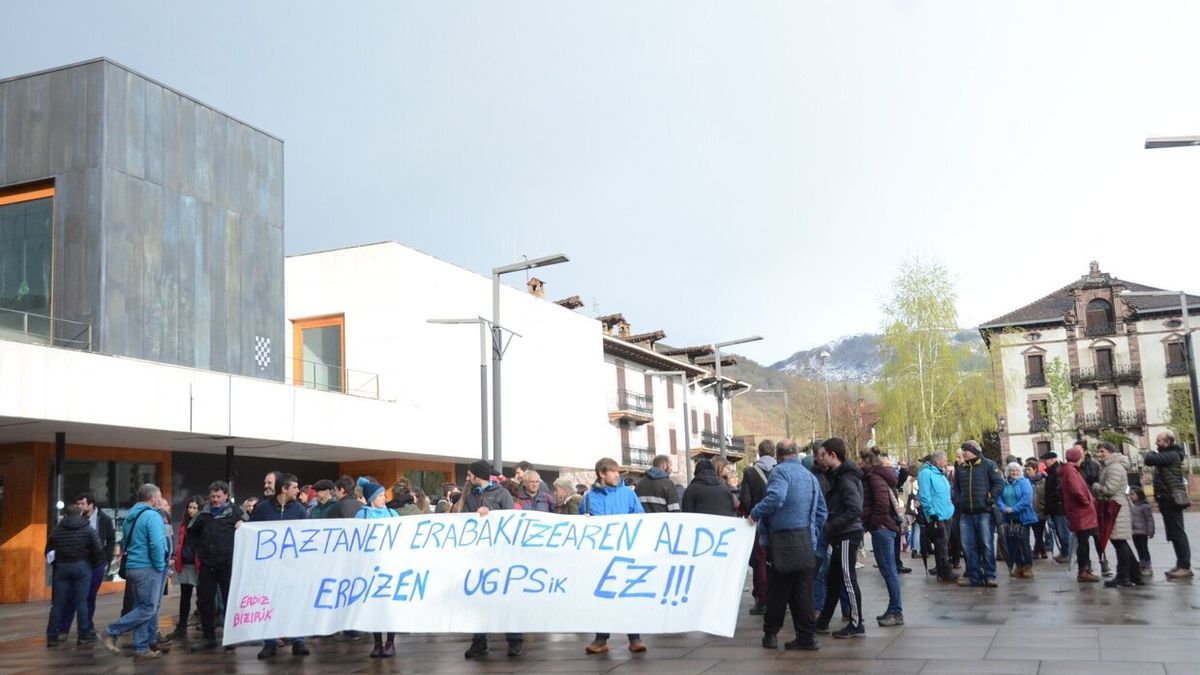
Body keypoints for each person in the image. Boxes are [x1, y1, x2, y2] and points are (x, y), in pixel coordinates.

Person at [749, 441, 826, 651]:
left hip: (783, 540)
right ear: (795, 454)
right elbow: (822, 512)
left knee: (778, 590)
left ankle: (771, 635)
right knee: (803, 592)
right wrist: (812, 532)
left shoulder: (780, 473)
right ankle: (807, 637)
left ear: (778, 455)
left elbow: (776, 497)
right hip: (806, 540)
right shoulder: (810, 476)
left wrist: (755, 512)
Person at [582, 457, 648, 655]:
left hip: (625, 552)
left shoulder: (628, 494)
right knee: (603, 596)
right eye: (613, 471)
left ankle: (635, 638)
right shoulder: (588, 497)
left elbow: (640, 517)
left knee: (628, 594)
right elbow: (582, 524)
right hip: (600, 555)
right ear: (602, 474)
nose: (617, 474)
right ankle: (601, 639)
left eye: (617, 471)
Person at [462, 460, 525, 659]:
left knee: (507, 598)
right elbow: (464, 520)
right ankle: (479, 642)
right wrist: (474, 515)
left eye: (470, 474)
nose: (467, 477)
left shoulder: (501, 493)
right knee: (479, 600)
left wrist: (491, 516)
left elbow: (510, 520)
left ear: (477, 475)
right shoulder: (471, 495)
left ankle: (515, 640)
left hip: (501, 554)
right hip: (480, 555)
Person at [100, 483, 168, 662]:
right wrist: (160, 565)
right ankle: (110, 631)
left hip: (133, 567)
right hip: (148, 568)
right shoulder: (152, 516)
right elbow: (156, 544)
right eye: (158, 496)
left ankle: (141, 648)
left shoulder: (132, 514)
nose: (160, 499)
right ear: (152, 498)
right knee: (148, 608)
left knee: (140, 607)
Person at [249, 473, 310, 659]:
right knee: (269, 603)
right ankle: (270, 642)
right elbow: (252, 531)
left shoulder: (300, 510)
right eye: (294, 487)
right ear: (284, 488)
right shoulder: (262, 508)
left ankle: (298, 640)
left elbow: (306, 535)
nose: (298, 490)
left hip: (292, 567)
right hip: (269, 567)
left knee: (293, 603)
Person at [813, 437, 866, 639]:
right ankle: (824, 620)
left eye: (823, 455)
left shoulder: (845, 479)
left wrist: (831, 526)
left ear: (832, 455)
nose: (820, 459)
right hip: (842, 533)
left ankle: (856, 622)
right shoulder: (839, 476)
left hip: (846, 534)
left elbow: (854, 509)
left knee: (847, 578)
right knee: (833, 578)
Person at [187, 480, 244, 651]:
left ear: (226, 496)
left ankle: (230, 637)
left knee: (229, 601)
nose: (215, 499)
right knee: (205, 601)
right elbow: (192, 532)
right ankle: (208, 637)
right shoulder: (203, 513)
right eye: (213, 496)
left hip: (228, 563)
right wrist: (199, 551)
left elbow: (249, 529)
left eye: (219, 496)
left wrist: (242, 526)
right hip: (207, 564)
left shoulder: (235, 511)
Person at [56, 492, 115, 641]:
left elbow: (111, 539)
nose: (80, 507)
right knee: (71, 596)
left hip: (96, 563)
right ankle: (64, 628)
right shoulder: (74, 520)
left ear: (91, 504)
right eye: (78, 504)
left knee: (89, 597)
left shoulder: (104, 519)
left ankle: (87, 626)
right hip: (78, 562)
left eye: (83, 504)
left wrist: (106, 558)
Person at [45, 504, 104, 647]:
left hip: (62, 567)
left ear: (66, 515)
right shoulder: (88, 529)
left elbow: (48, 550)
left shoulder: (57, 530)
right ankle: (83, 635)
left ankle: (52, 635)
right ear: (81, 514)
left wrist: (57, 564)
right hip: (82, 567)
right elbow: (98, 550)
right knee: (82, 602)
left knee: (58, 603)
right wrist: (92, 564)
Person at [356, 478, 400, 657]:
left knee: (389, 606)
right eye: (381, 495)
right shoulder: (362, 516)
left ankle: (390, 642)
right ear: (371, 498)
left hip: (390, 565)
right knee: (374, 605)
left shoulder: (392, 513)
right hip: (370, 566)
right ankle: (377, 643)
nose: (384, 498)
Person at [952, 441, 1004, 587]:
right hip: (966, 513)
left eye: (966, 450)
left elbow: (999, 483)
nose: (963, 453)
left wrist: (990, 497)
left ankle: (990, 575)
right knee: (968, 546)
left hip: (984, 512)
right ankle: (974, 575)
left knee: (987, 544)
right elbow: (956, 488)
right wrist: (959, 501)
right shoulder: (961, 468)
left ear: (974, 451)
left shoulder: (989, 465)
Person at [1143, 431, 1193, 580]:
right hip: (1167, 499)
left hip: (1171, 500)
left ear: (1168, 442)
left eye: (1159, 441)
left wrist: (1151, 453)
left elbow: (1149, 459)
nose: (1156, 443)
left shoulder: (1171, 455)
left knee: (1178, 533)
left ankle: (1184, 566)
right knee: (1174, 533)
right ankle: (1181, 564)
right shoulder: (1170, 454)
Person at [861, 452, 904, 626]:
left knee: (889, 570)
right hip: (885, 527)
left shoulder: (874, 477)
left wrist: (874, 523)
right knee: (889, 570)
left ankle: (896, 611)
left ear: (868, 462)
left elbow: (881, 503)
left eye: (861, 460)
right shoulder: (880, 476)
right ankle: (893, 609)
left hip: (882, 528)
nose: (859, 462)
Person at [1092, 442, 1143, 588]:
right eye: (1098, 452)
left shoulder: (1114, 467)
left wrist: (1096, 486)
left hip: (1115, 507)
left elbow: (1109, 489)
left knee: (1119, 543)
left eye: (1102, 451)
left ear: (1110, 452)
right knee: (1121, 543)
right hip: (1115, 507)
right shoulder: (1110, 466)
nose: (1099, 454)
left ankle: (1124, 576)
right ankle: (1135, 575)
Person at [741, 439, 778, 615]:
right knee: (776, 559)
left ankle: (762, 599)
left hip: (758, 522)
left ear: (759, 453)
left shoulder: (750, 472)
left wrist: (751, 514)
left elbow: (745, 500)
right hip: (778, 522)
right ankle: (778, 596)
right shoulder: (780, 470)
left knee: (760, 561)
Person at [1060, 447, 1100, 582]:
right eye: (1081, 455)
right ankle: (1083, 570)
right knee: (1083, 542)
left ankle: (1084, 569)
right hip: (1081, 512)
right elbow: (1076, 490)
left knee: (1083, 541)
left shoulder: (1069, 470)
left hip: (1079, 511)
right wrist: (1087, 502)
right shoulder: (1071, 471)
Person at [918, 452, 957, 582]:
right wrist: (931, 513)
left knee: (944, 543)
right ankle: (945, 571)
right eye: (945, 460)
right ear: (938, 461)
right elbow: (925, 495)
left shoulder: (940, 474)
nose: (946, 462)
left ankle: (943, 571)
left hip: (946, 513)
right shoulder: (926, 473)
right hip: (937, 515)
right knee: (941, 544)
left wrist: (951, 507)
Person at [169, 496, 203, 639]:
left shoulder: (202, 522)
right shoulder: (184, 523)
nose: (191, 510)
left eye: (195, 508)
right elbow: (181, 542)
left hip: (199, 564)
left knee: (203, 597)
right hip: (186, 563)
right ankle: (182, 627)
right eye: (190, 507)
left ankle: (206, 624)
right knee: (185, 596)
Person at [997, 462, 1037, 579]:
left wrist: (1014, 509)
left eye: (1017, 471)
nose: (1014, 473)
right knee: (1012, 544)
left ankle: (1028, 566)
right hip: (1008, 518)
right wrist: (1004, 508)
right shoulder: (1003, 483)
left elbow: (1026, 499)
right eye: (1012, 471)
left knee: (1023, 542)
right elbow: (999, 498)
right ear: (1008, 472)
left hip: (1022, 517)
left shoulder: (1024, 482)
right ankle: (1018, 565)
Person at [1041, 452, 1071, 563]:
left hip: (1059, 507)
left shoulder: (1057, 471)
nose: (1044, 461)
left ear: (1052, 459)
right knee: (1059, 531)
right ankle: (1064, 551)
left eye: (1046, 459)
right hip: (1055, 506)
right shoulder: (1052, 471)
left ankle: (1067, 552)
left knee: (1063, 531)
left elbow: (1058, 489)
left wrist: (1055, 501)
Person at [1024, 461, 1049, 560]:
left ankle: (1036, 551)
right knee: (1036, 531)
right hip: (1030, 510)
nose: (1027, 472)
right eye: (1026, 469)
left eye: (1029, 469)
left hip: (1040, 510)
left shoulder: (1043, 481)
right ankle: (1042, 550)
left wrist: (1044, 506)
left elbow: (1046, 495)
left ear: (1035, 469)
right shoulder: (1025, 481)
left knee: (1038, 532)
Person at [1130, 487, 1155, 577]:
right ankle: (1141, 563)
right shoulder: (1132, 506)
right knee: (1138, 549)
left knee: (1144, 548)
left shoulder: (1144, 506)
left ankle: (1147, 565)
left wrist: (1150, 531)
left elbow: (1150, 519)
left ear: (1139, 495)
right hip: (1134, 532)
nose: (1131, 496)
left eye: (1133, 494)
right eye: (1130, 494)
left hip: (1142, 532)